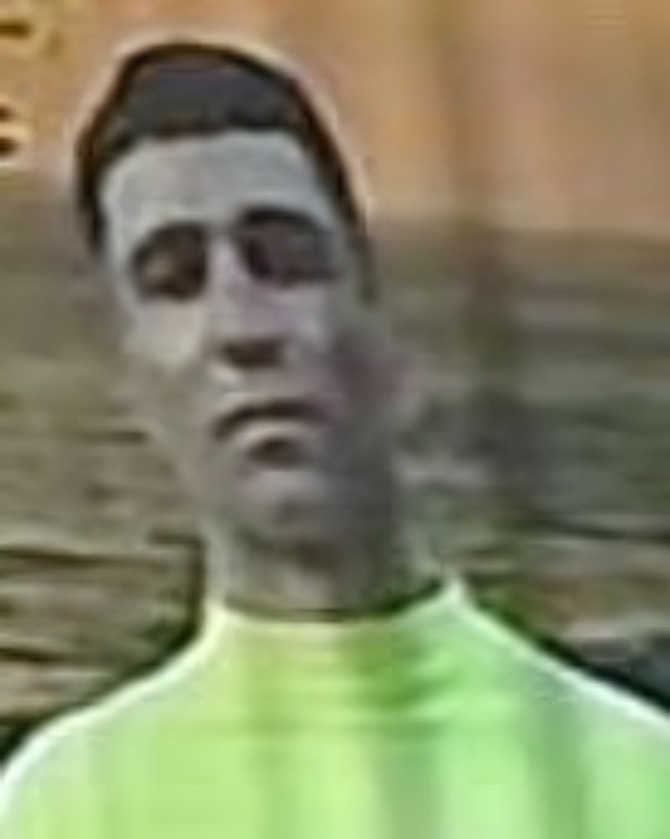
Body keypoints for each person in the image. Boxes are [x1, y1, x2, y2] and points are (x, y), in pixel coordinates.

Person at [1, 38, 670, 839]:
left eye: (282, 259)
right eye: (175, 279)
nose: (242, 327)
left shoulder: (636, 772)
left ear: (384, 329)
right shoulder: (64, 804)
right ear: (134, 379)